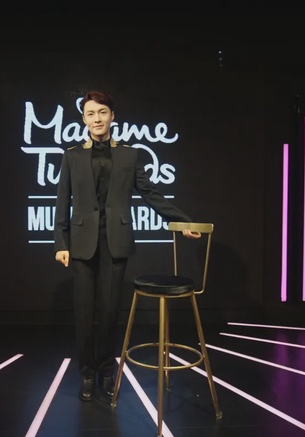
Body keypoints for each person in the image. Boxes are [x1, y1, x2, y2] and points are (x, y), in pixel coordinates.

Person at [54, 89, 201, 402]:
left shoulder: (129, 155)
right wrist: (61, 242)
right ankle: (86, 374)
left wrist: (181, 220)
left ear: (112, 116)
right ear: (84, 119)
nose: (97, 119)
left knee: (110, 313)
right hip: (81, 244)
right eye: (90, 114)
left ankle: (107, 370)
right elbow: (62, 200)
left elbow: (150, 193)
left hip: (116, 242)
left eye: (102, 112)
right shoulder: (72, 155)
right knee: (84, 314)